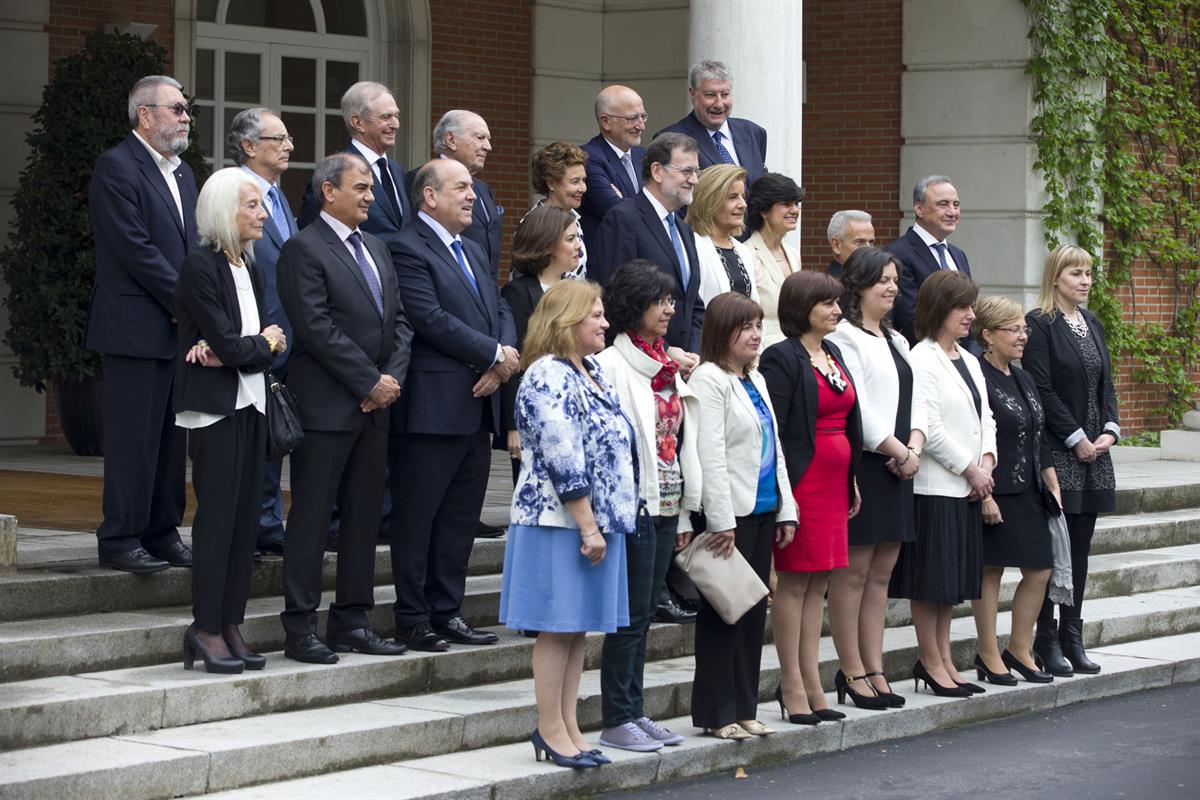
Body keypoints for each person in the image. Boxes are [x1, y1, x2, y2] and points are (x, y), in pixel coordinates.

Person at [276, 152, 413, 664]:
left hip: (375, 406)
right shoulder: (302, 249)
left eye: (372, 189)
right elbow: (314, 328)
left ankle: (352, 620)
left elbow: (399, 322)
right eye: (361, 188)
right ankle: (299, 626)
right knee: (312, 518)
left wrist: (390, 379)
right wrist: (367, 380)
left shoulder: (377, 247)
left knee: (362, 519)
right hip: (327, 407)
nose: (370, 197)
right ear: (329, 191)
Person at [499, 280, 636, 770]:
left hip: (593, 521)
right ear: (566, 323)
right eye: (595, 315)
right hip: (560, 522)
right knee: (558, 630)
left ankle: (570, 725)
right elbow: (562, 457)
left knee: (578, 629)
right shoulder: (546, 375)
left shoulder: (592, 370)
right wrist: (587, 526)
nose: (605, 322)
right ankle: (549, 727)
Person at [389, 158, 518, 652]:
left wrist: (503, 356)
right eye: (461, 188)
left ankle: (448, 611)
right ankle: (412, 617)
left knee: (460, 519)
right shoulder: (406, 247)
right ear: (429, 196)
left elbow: (500, 307)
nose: (471, 196)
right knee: (420, 517)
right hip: (432, 408)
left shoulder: (469, 247)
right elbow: (427, 316)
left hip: (477, 406)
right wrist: (493, 354)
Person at [86, 75, 198, 574]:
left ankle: (161, 531)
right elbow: (135, 249)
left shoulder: (183, 173)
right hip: (135, 328)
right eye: (176, 109)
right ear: (144, 114)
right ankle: (120, 538)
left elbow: (192, 248)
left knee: (172, 439)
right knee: (134, 438)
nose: (186, 116)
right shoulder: (117, 166)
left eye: (185, 109)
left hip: (177, 329)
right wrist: (187, 300)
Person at [174, 168, 281, 673]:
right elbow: (237, 344)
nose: (262, 213)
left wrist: (251, 349)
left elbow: (247, 348)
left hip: (253, 402)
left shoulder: (252, 269)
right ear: (224, 211)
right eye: (252, 205)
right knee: (217, 522)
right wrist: (260, 345)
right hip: (215, 409)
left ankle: (231, 621)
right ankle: (205, 627)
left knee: (245, 525)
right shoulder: (200, 267)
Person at [593, 261, 703, 752]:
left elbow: (676, 441)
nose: (669, 309)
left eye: (671, 300)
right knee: (630, 617)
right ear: (633, 305)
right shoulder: (612, 365)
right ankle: (618, 716)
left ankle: (636, 711)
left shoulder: (666, 364)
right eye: (659, 300)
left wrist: (682, 514)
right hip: (633, 506)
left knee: (645, 616)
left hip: (668, 500)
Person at [686, 293, 798, 741]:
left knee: (752, 612)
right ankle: (717, 711)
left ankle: (745, 706)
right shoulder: (709, 379)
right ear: (721, 332)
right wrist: (719, 519)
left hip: (763, 508)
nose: (756, 335)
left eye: (757, 325)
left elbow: (776, 448)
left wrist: (786, 509)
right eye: (745, 327)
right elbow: (709, 452)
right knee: (723, 612)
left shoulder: (756, 379)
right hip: (730, 514)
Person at [825, 246, 926, 709]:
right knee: (853, 575)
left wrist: (915, 449)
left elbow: (919, 400)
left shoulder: (897, 339)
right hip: (869, 464)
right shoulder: (843, 338)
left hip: (901, 465)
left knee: (881, 576)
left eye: (894, 280)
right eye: (881, 280)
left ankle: (876, 667)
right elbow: (858, 409)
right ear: (858, 286)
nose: (891, 287)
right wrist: (898, 450)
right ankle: (851, 670)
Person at [760, 272, 863, 722]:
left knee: (820, 582)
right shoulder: (780, 358)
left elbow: (848, 419)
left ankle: (815, 681)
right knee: (795, 582)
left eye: (838, 303)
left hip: (836, 481)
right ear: (802, 308)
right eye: (827, 304)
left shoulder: (833, 352)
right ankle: (792, 684)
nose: (837, 311)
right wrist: (784, 494)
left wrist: (852, 477)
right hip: (802, 483)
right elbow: (777, 433)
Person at [889, 270, 995, 697]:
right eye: (961, 307)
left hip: (969, 485)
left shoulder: (969, 359)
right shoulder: (922, 358)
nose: (970, 315)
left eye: (971, 306)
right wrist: (970, 469)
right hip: (936, 486)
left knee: (950, 586)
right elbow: (929, 424)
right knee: (930, 582)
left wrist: (986, 463)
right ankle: (930, 661)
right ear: (939, 310)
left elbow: (985, 418)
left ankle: (946, 657)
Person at [1025, 245, 1119, 676]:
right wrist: (1075, 436)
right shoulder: (1040, 324)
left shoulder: (1092, 322)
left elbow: (1106, 385)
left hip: (1094, 456)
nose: (1084, 281)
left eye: (1088, 274)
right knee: (1055, 550)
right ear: (1056, 277)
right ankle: (1045, 639)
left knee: (1079, 551)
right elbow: (1041, 389)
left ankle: (1072, 636)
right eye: (1075, 273)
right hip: (1059, 453)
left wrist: (1110, 430)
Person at [972, 296, 1059, 685]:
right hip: (995, 489)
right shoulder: (976, 374)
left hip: (1030, 490)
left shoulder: (1023, 377)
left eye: (1024, 328)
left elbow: (1038, 432)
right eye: (1014, 329)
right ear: (988, 334)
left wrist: (1049, 474)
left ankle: (1019, 648)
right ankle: (989, 654)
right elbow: (975, 436)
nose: (1023, 336)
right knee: (990, 572)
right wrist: (985, 495)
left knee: (1040, 569)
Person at [226, 107, 298, 557]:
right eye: (279, 139)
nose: (290, 146)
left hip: (283, 334)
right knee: (246, 442)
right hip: (251, 333)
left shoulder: (278, 196)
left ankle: (267, 524)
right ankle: (244, 527)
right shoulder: (234, 191)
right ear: (249, 147)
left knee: (272, 436)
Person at [593, 132, 705, 365]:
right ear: (657, 171)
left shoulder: (684, 231)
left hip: (682, 366)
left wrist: (692, 353)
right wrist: (663, 350)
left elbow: (693, 303)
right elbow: (614, 300)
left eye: (696, 171)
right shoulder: (624, 219)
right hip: (638, 364)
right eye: (686, 171)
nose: (694, 179)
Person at [499, 206, 582, 481]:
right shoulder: (519, 292)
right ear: (546, 244)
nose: (578, 245)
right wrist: (513, 426)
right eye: (570, 239)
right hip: (535, 414)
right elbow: (516, 359)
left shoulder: (575, 291)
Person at [298, 82, 410, 242]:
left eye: (396, 116)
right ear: (358, 123)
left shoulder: (395, 169)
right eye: (386, 117)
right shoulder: (335, 170)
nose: (395, 125)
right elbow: (311, 234)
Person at [887, 175, 978, 353]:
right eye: (943, 204)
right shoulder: (898, 254)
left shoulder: (958, 255)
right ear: (919, 209)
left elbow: (969, 310)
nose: (952, 212)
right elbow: (912, 317)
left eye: (956, 205)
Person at [655, 60, 768, 186]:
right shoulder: (670, 139)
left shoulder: (753, 132)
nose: (719, 104)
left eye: (725, 94)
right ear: (692, 94)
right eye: (710, 95)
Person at [427, 110, 503, 279]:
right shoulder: (421, 181)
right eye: (480, 138)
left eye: (488, 139)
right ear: (451, 140)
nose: (488, 147)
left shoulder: (484, 189)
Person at [579, 85, 647, 263]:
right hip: (610, 267)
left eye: (643, 116)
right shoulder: (588, 158)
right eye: (632, 118)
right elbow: (616, 212)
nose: (641, 126)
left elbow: (670, 206)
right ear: (605, 122)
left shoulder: (645, 156)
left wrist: (627, 202)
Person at [745, 173, 804, 348]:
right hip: (763, 353)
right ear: (764, 210)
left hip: (797, 351)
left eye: (796, 204)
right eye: (786, 204)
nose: (795, 210)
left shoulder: (793, 255)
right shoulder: (746, 253)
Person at [686, 163, 758, 304]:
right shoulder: (692, 247)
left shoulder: (744, 251)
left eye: (743, 196)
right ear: (709, 201)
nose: (743, 204)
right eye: (732, 197)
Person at [527, 141, 589, 279]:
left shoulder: (574, 219)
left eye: (583, 180)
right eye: (574, 181)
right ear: (551, 183)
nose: (583, 188)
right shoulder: (535, 224)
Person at [825, 210, 875, 280]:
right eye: (860, 242)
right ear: (836, 245)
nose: (869, 249)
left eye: (871, 242)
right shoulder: (832, 288)